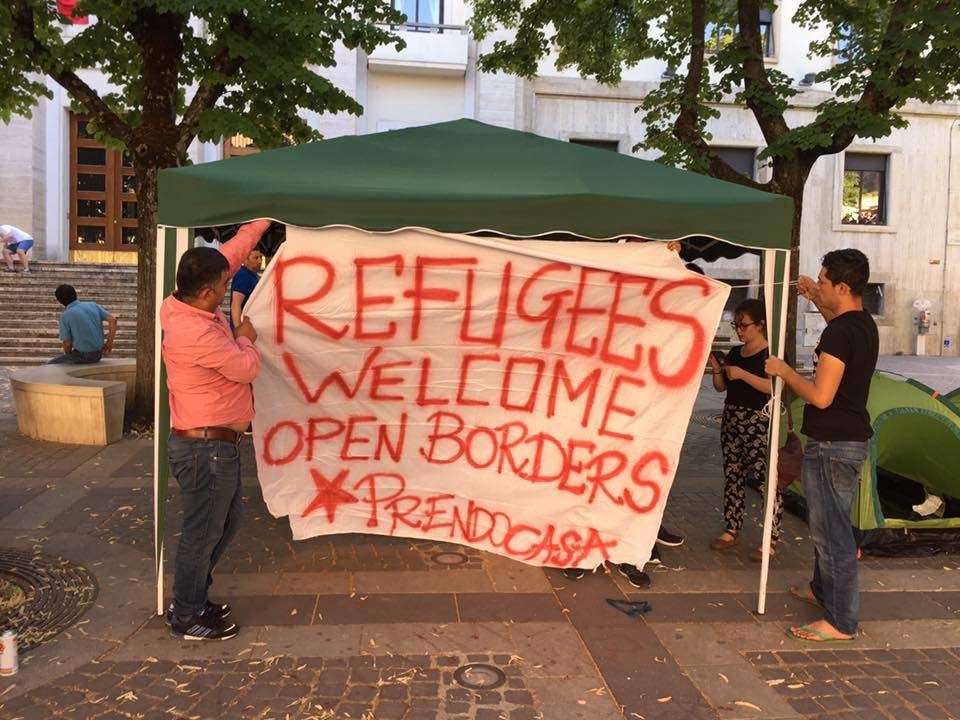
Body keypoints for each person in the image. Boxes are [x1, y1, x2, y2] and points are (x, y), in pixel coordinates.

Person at [161, 219, 270, 641]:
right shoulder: (195, 332)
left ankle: (192, 597)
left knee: (225, 524)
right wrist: (244, 337)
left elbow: (235, 251)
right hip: (204, 448)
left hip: (215, 444)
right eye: (224, 285)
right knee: (203, 530)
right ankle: (187, 615)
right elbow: (247, 368)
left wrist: (262, 216)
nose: (229, 287)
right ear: (206, 292)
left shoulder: (182, 301)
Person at [766, 249, 878, 643]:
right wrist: (814, 298)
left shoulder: (841, 332)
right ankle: (820, 588)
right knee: (828, 526)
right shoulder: (860, 324)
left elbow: (820, 396)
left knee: (833, 537)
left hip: (833, 445)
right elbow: (837, 327)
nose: (819, 285)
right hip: (844, 443)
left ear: (844, 287)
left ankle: (841, 621)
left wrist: (783, 371)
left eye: (824, 282)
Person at [708, 299, 782, 560]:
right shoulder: (735, 353)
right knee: (733, 475)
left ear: (760, 324)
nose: (740, 331)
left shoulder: (770, 355)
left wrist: (743, 375)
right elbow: (721, 387)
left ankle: (771, 537)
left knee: (764, 480)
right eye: (736, 325)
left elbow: (772, 388)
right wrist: (718, 369)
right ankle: (732, 527)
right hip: (731, 419)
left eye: (744, 326)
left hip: (757, 422)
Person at [49, 284, 117, 364]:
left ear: (60, 301)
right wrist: (109, 343)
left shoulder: (65, 316)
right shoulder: (92, 305)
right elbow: (113, 320)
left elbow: (67, 344)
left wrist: (68, 356)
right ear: (75, 294)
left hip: (83, 356)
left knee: (50, 365)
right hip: (99, 353)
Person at [230, 248, 262, 329]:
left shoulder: (254, 276)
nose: (260, 261)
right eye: (256, 258)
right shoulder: (243, 275)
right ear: (245, 260)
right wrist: (238, 329)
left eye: (261, 257)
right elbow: (236, 304)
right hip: (242, 330)